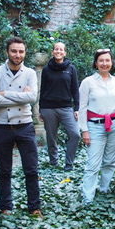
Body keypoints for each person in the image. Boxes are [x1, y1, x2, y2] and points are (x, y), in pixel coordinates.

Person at [0, 37, 42, 217]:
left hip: (25, 125)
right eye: (13, 51)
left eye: (21, 51)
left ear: (25, 53)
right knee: (4, 170)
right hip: (2, 126)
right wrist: (21, 95)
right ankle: (6, 207)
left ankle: (34, 207)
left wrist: (7, 93)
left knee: (31, 169)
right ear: (7, 52)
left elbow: (32, 97)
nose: (17, 55)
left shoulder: (30, 73)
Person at [78, 49, 115, 204]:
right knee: (93, 164)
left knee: (110, 160)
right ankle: (88, 198)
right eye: (101, 60)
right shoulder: (88, 82)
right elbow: (82, 108)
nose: (104, 63)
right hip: (95, 127)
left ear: (112, 63)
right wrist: (84, 130)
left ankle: (105, 189)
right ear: (96, 63)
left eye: (107, 60)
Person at [39, 42, 81, 171]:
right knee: (51, 138)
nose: (58, 51)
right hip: (48, 108)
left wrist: (77, 108)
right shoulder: (46, 69)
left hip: (66, 107)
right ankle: (54, 162)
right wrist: (41, 109)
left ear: (65, 53)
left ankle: (69, 163)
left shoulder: (71, 69)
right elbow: (43, 89)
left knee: (75, 135)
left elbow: (75, 90)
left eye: (61, 49)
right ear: (52, 52)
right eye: (56, 49)